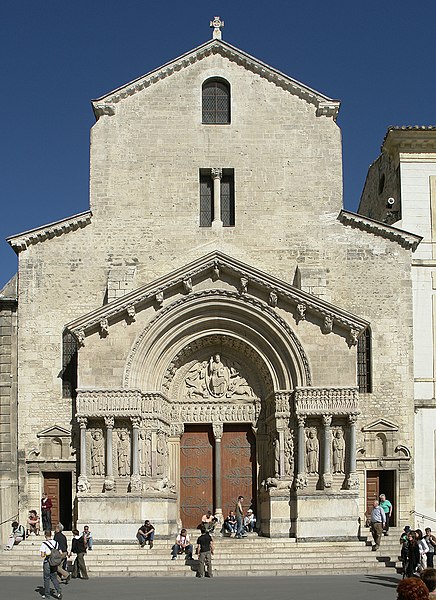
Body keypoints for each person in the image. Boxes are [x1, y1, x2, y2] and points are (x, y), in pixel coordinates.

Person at [40, 530, 63, 599]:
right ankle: (59, 591)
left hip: (47, 562)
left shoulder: (44, 543)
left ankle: (47, 594)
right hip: (54, 562)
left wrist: (48, 554)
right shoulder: (56, 543)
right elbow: (60, 553)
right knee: (54, 578)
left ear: (45, 535)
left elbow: (42, 555)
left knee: (46, 578)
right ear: (51, 535)